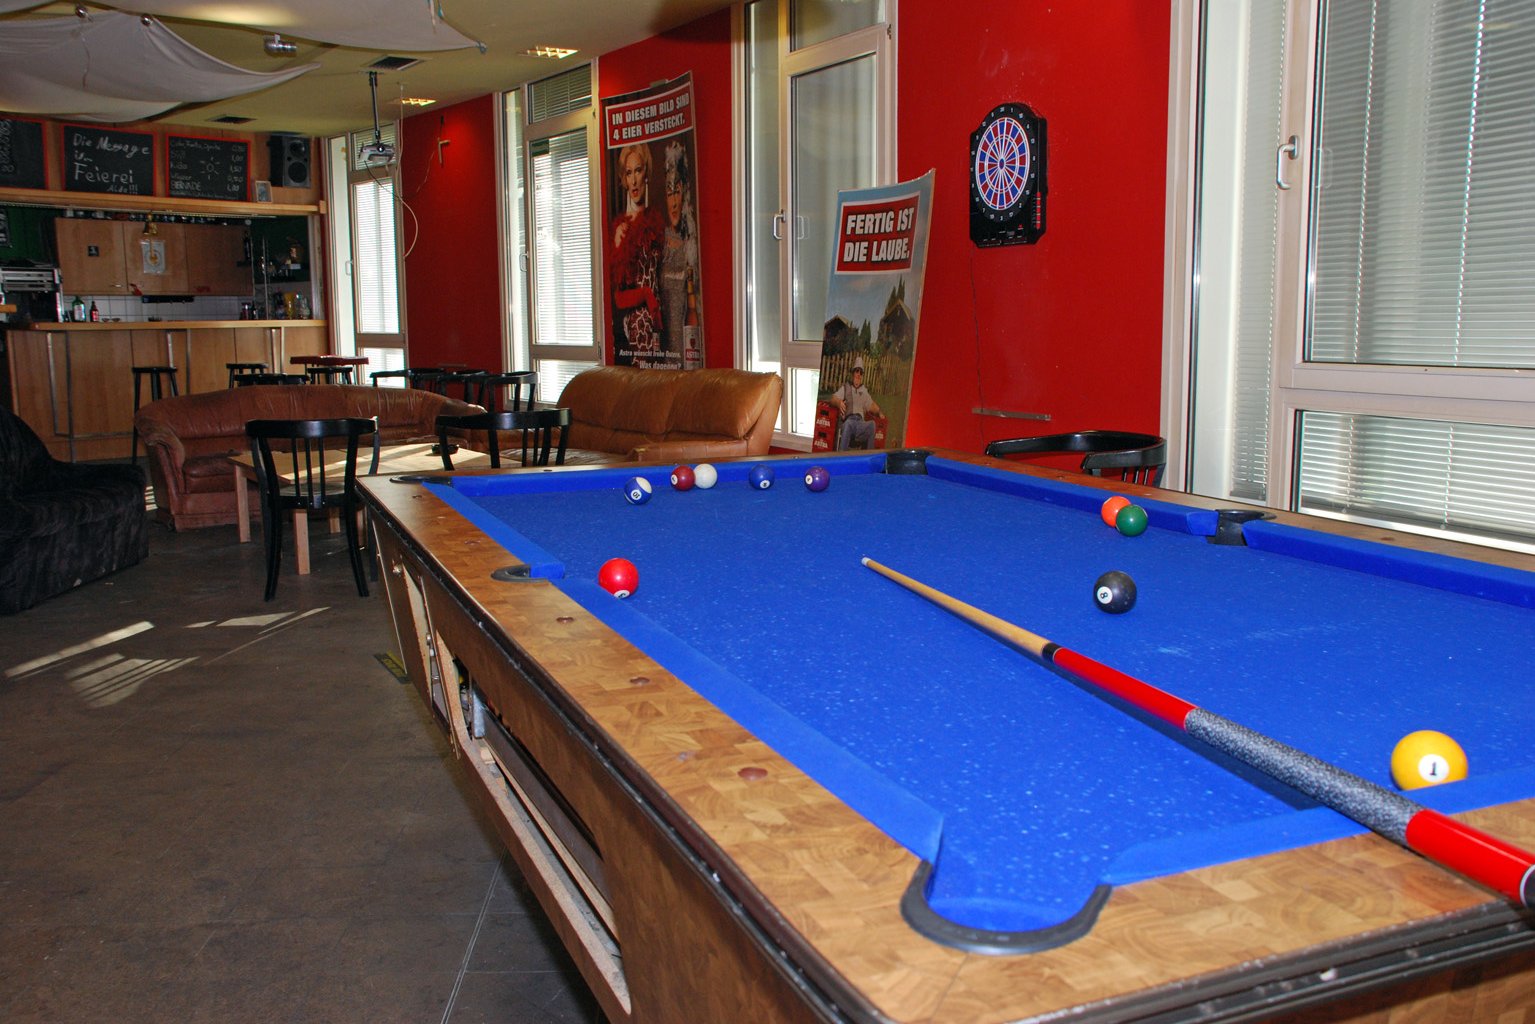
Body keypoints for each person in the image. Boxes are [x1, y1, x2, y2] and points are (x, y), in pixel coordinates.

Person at [610, 143, 667, 361]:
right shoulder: (622, 231)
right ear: (624, 180)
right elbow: (619, 298)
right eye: (628, 172)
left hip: (658, 319)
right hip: (639, 321)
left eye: (638, 170)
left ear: (646, 174)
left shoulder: (656, 222)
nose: (634, 180)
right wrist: (646, 296)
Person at [659, 140, 700, 364]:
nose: (673, 202)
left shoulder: (692, 244)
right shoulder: (660, 240)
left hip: (687, 357)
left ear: (684, 192)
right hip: (661, 357)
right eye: (668, 193)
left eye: (676, 192)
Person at [832, 357, 882, 450]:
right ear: (853, 373)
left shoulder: (864, 391)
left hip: (861, 424)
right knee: (848, 424)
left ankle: (868, 458)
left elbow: (872, 406)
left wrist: (879, 412)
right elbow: (833, 398)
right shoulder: (846, 388)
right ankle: (841, 458)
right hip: (849, 421)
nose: (858, 374)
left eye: (861, 373)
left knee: (872, 425)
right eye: (856, 371)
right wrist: (839, 402)